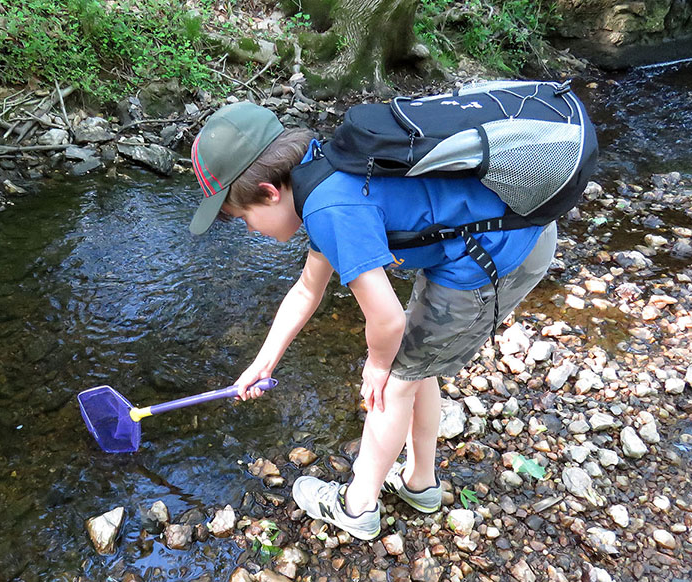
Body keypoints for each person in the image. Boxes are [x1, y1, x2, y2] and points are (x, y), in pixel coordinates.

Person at [189, 101, 557, 540]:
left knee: (395, 380)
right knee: (416, 366)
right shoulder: (320, 174)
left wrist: (378, 365)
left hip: (498, 253)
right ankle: (421, 484)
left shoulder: (329, 210)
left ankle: (357, 507)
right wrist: (263, 362)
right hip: (483, 243)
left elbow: (386, 320)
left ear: (269, 192)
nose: (251, 230)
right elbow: (308, 289)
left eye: (243, 217)